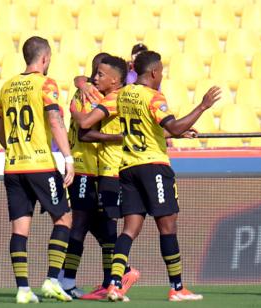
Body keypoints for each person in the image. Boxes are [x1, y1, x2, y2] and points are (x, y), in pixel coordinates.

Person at [105, 50, 221, 302]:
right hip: (153, 166)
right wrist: (202, 106)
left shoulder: (123, 94)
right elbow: (173, 126)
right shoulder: (154, 97)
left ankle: (114, 285)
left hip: (127, 167)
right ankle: (177, 287)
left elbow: (148, 128)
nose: (162, 77)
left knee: (128, 230)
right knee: (167, 227)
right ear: (154, 72)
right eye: (161, 72)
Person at [0, 36, 74, 303]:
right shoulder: (45, 84)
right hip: (40, 165)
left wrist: (17, 149)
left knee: (20, 229)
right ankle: (51, 280)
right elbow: (54, 120)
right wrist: (68, 159)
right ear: (45, 57)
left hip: (13, 167)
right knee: (64, 219)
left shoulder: (6, 86)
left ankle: (23, 289)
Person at [60, 52, 138, 300]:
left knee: (102, 226)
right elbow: (83, 132)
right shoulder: (86, 93)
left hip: (103, 170)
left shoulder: (111, 98)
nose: (95, 77)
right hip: (84, 167)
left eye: (99, 73)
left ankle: (106, 280)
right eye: (95, 72)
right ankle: (70, 280)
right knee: (83, 225)